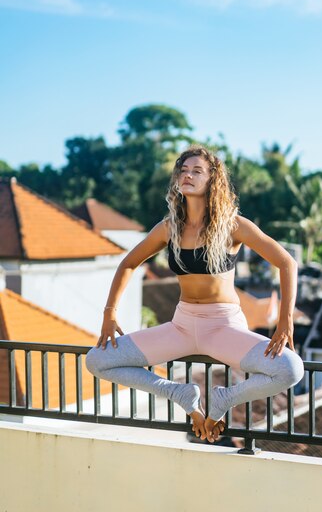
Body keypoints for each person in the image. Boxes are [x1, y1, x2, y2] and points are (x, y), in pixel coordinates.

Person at [85, 145, 304, 443]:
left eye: (197, 171)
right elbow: (128, 263)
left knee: (290, 369)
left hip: (223, 326)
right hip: (182, 325)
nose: (188, 175)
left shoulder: (233, 226)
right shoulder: (169, 228)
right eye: (183, 170)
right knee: (97, 360)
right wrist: (109, 314)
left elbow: (286, 262)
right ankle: (178, 392)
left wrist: (285, 321)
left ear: (213, 180)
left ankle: (224, 399)